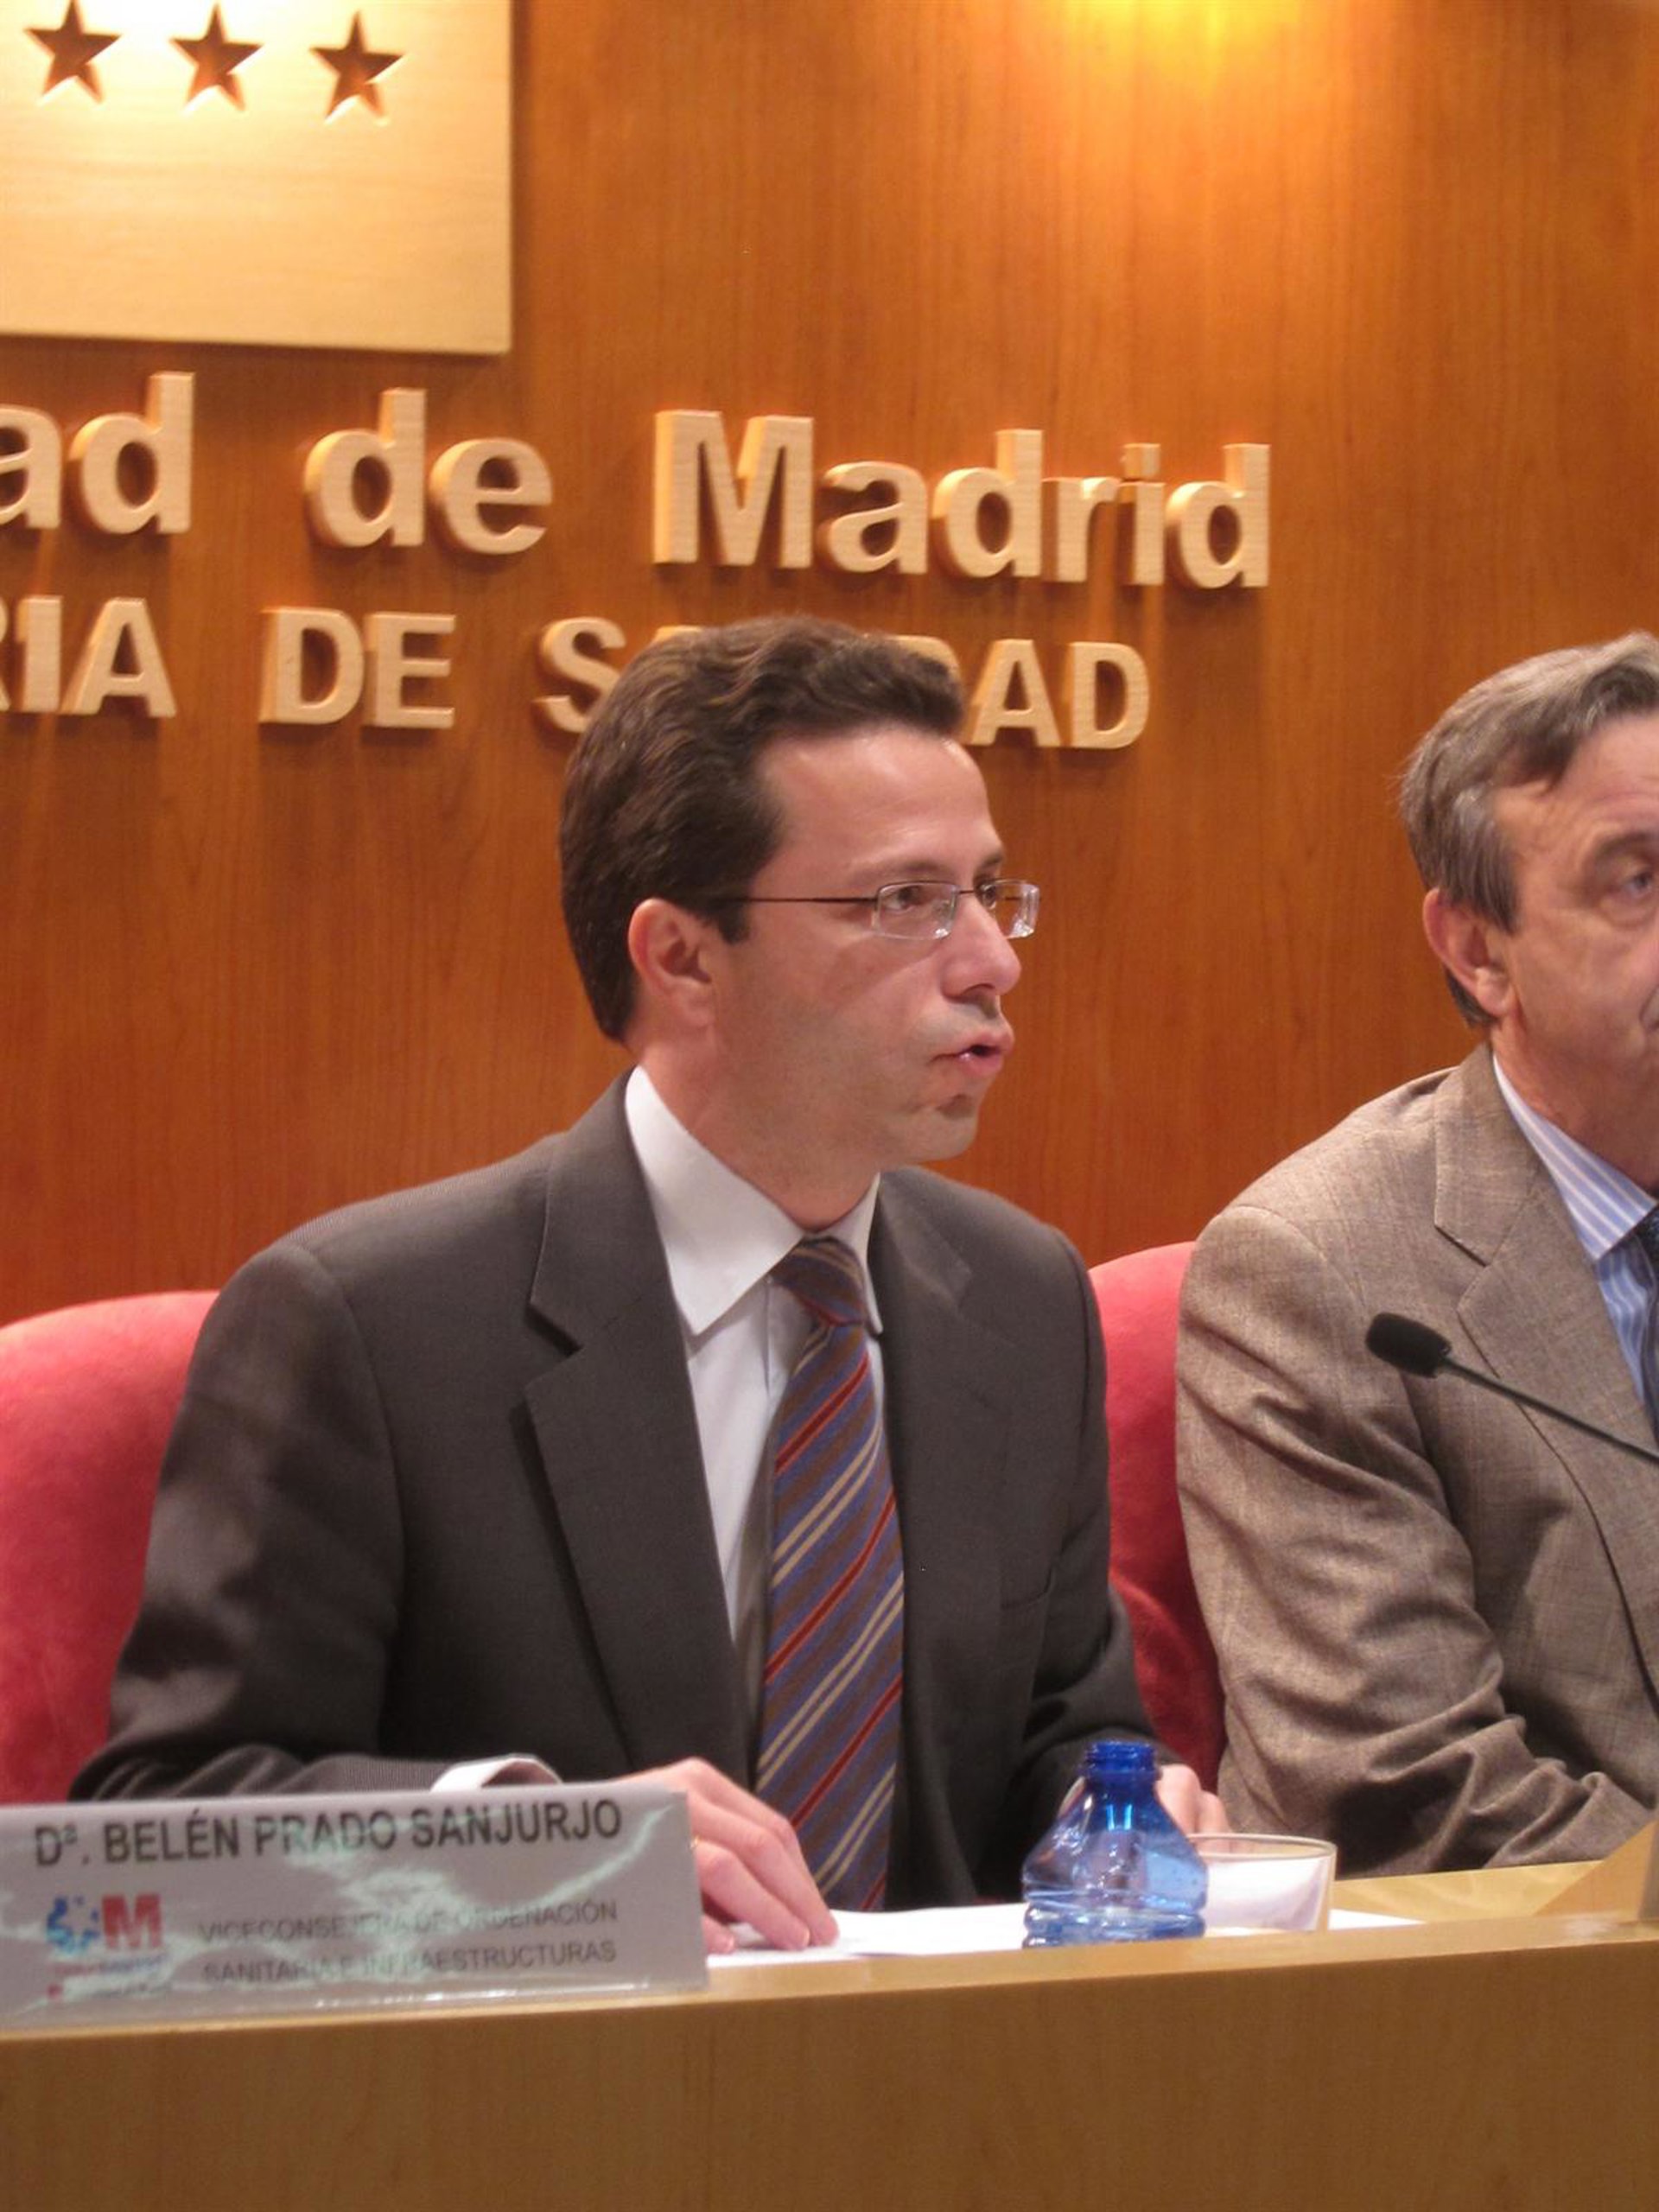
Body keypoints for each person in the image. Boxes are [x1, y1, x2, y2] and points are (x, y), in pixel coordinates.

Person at [79, 614, 1217, 1949]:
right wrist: (547, 1855)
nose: (991, 961)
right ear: (681, 958)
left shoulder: (1020, 1301)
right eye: (905, 902)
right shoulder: (368, 1327)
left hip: (945, 2070)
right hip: (543, 2069)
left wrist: (1118, 1811)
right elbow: (165, 1830)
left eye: (986, 891)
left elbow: (1055, 1737)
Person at [1178, 632, 1659, 1874]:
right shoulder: (1322, 1271)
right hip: (1549, 1973)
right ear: (1478, 950)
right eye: (1637, 880)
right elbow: (1408, 1789)